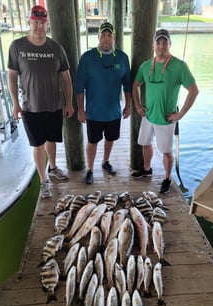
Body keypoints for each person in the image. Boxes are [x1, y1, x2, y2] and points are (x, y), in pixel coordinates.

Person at [8, 5, 74, 198]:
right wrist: (15, 103)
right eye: (35, 22)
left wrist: (68, 103)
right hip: (31, 107)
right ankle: (43, 181)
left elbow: (67, 79)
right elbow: (11, 77)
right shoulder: (17, 47)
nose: (39, 27)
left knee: (52, 139)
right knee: (37, 145)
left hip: (54, 105)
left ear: (48, 25)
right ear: (29, 23)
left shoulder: (56, 48)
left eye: (42, 23)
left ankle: (53, 168)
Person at [132, 28, 199, 193]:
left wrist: (181, 113)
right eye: (158, 42)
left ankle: (167, 178)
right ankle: (147, 169)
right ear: (153, 45)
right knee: (145, 143)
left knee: (166, 151)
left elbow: (193, 90)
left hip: (166, 118)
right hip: (148, 115)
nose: (161, 46)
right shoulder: (146, 65)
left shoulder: (179, 66)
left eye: (165, 42)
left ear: (170, 44)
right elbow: (136, 85)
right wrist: (138, 105)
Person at [76, 22, 131, 184]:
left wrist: (128, 105)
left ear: (114, 37)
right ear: (98, 37)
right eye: (103, 35)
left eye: (109, 35)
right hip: (93, 112)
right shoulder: (87, 58)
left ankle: (105, 161)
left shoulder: (122, 57)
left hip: (114, 111)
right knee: (92, 141)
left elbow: (128, 84)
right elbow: (79, 87)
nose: (106, 39)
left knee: (110, 138)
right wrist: (81, 109)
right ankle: (90, 169)